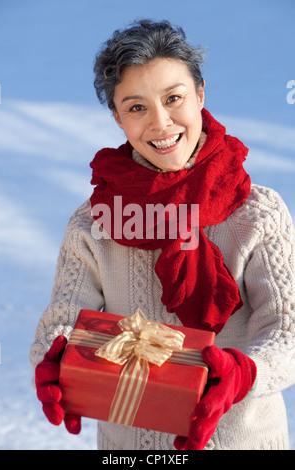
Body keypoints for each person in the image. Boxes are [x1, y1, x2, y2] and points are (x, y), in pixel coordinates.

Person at [30, 19, 295, 450]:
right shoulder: (95, 222)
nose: (160, 122)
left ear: (200, 95)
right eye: (136, 107)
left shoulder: (258, 213)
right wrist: (55, 357)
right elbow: (64, 318)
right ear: (117, 118)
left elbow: (286, 327)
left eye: (174, 98)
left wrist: (243, 372)